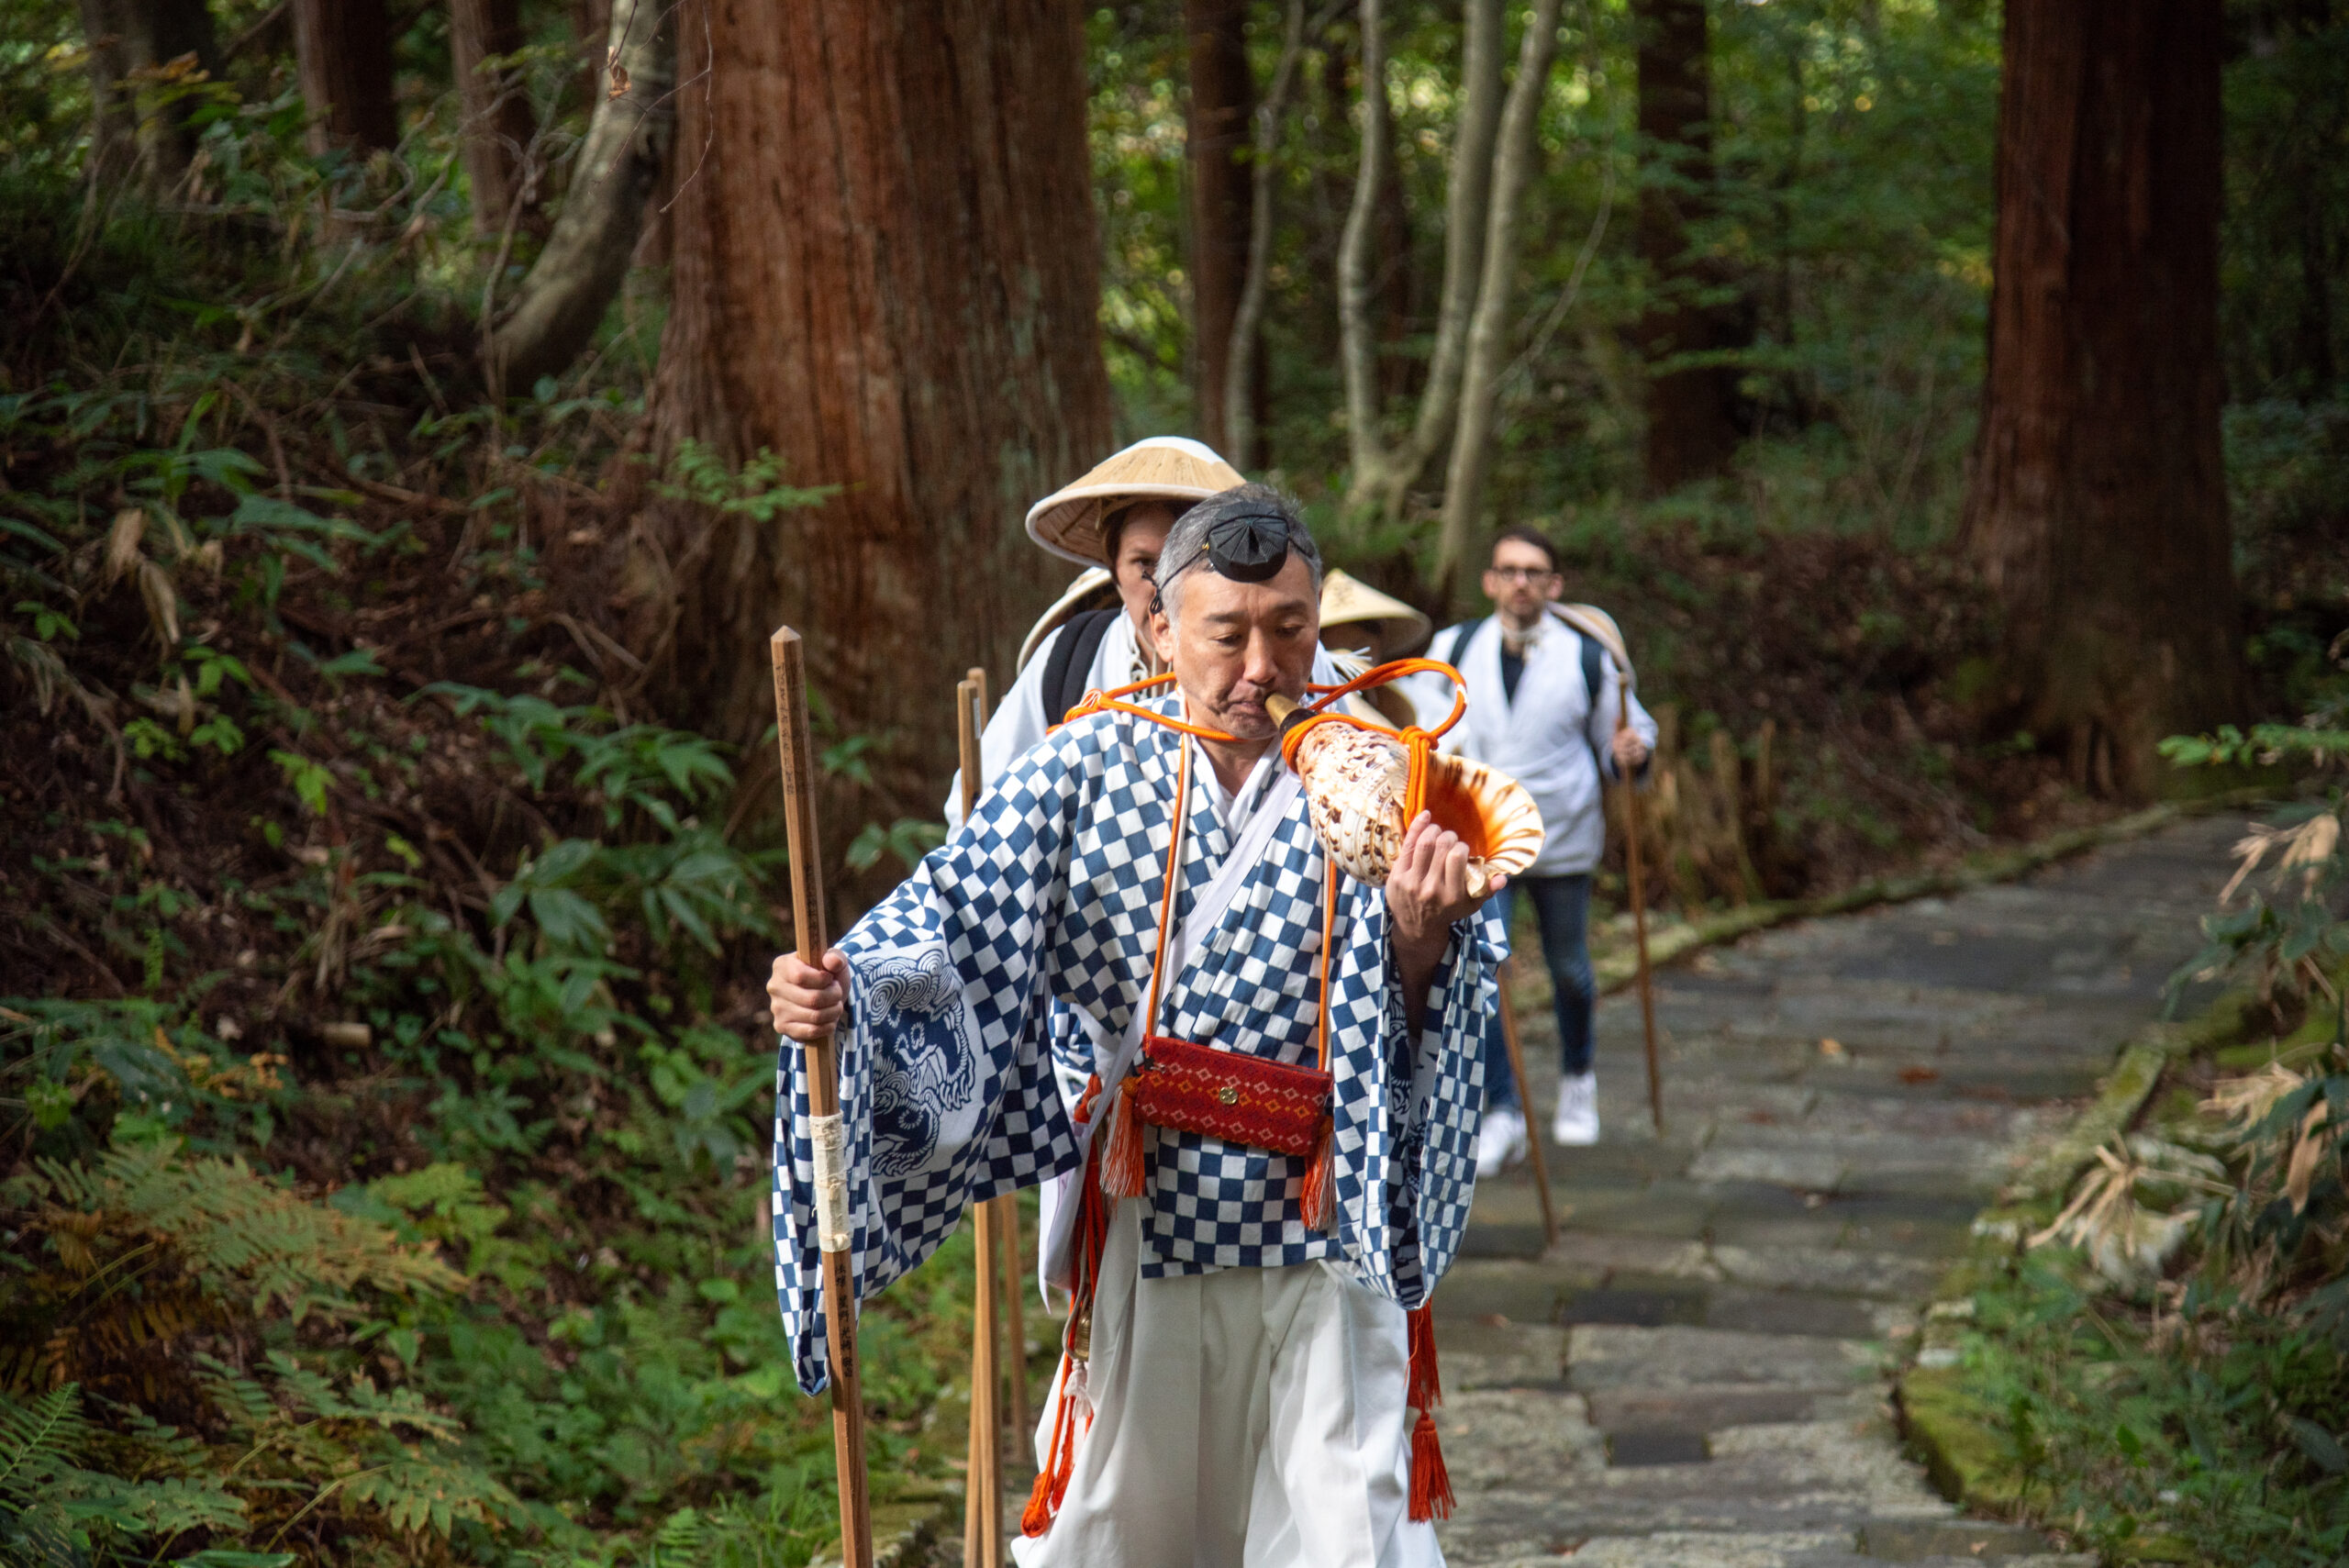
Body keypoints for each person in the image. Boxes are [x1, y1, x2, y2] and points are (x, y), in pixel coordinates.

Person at [768, 486, 1503, 1568]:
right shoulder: (1086, 764)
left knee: (1349, 1526)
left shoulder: (1382, 767)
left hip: (1325, 1217)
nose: (1262, 664)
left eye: (1290, 629)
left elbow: (1441, 996)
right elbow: (951, 923)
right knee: (1124, 1522)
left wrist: (1420, 935)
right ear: (1159, 624)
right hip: (1153, 1200)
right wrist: (843, 995)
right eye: (1228, 632)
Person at [1428, 526, 1654, 1170]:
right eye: (1508, 569)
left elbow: (1627, 727)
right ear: (1490, 580)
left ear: (1554, 586)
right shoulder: (1454, 648)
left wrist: (1628, 753)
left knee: (1571, 970)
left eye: (1533, 572)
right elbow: (1424, 727)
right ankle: (1502, 1108)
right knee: (1484, 972)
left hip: (1563, 831)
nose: (1519, 581)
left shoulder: (1589, 655)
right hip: (1481, 839)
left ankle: (1578, 1078)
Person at [944, 436, 1244, 821]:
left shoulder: (1271, 661)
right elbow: (984, 805)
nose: (1165, 584)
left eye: (1188, 558)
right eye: (1144, 562)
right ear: (1114, 571)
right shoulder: (1070, 658)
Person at [1319, 568, 1431, 730]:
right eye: (1331, 650)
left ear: (1381, 640)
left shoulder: (1428, 707)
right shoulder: (1305, 700)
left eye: (1359, 649)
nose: (1347, 659)